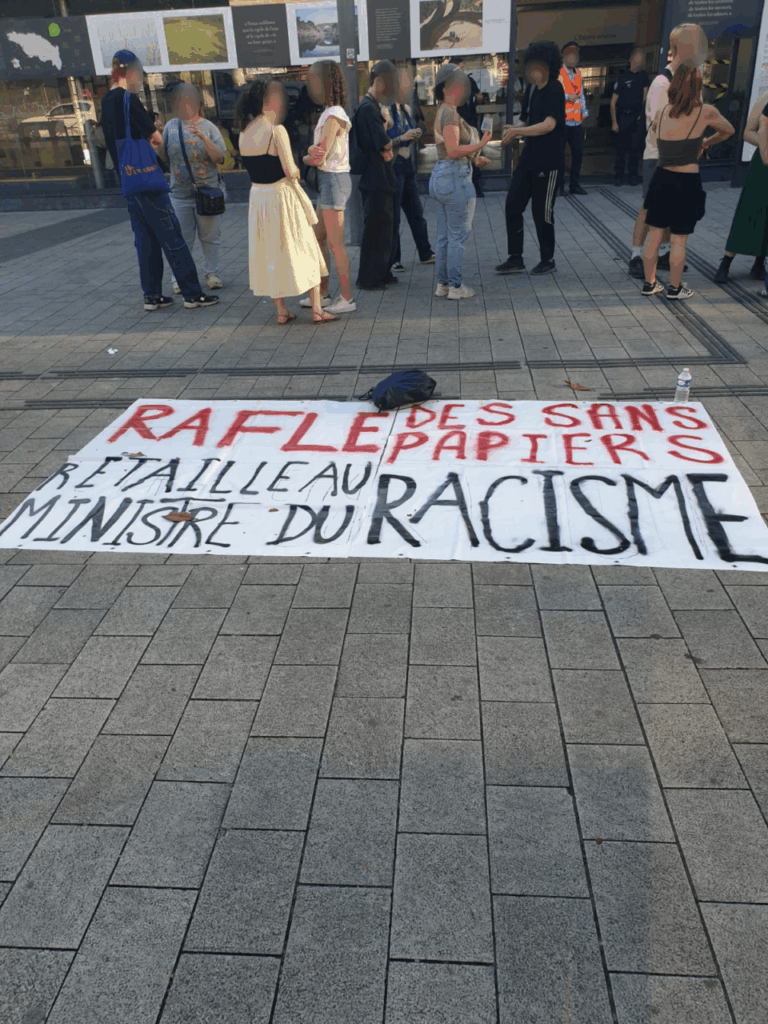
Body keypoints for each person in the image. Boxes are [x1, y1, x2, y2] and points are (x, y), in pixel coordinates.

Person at [100, 50, 218, 311]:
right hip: (148, 181)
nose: (140, 79)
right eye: (139, 74)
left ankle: (152, 296)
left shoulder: (106, 101)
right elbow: (155, 139)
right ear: (130, 72)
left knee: (145, 240)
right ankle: (192, 294)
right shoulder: (129, 100)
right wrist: (162, 131)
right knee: (173, 237)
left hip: (129, 181)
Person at [235, 77, 336, 325]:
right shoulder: (275, 131)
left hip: (258, 198)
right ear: (270, 100)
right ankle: (316, 309)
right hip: (282, 196)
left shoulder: (243, 133)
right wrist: (303, 163)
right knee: (305, 246)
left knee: (269, 251)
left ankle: (281, 310)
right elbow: (290, 171)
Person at [641, 64, 734, 300]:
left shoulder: (662, 112)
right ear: (697, 86)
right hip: (686, 180)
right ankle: (675, 288)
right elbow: (729, 130)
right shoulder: (706, 111)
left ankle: (649, 284)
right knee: (679, 238)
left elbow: (653, 135)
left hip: (661, 177)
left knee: (654, 234)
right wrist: (705, 143)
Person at [628, 24, 706, 278]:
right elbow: (656, 124)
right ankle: (636, 256)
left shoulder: (693, 80)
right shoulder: (662, 83)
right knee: (648, 209)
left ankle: (662, 253)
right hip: (658, 157)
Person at [496, 40, 565, 276]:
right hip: (529, 158)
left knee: (541, 212)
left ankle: (548, 259)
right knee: (513, 204)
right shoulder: (532, 89)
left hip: (549, 161)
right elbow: (527, 119)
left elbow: (549, 124)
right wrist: (512, 128)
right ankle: (515, 257)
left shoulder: (555, 89)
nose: (533, 70)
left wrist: (519, 132)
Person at [429, 63, 492, 300]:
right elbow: (453, 149)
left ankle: (443, 284)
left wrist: (475, 158)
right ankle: (455, 286)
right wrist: (482, 143)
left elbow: (452, 150)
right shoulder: (449, 113)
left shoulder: (445, 111)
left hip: (445, 175)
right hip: (455, 176)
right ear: (446, 87)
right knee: (457, 236)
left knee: (445, 235)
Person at [300, 60, 356, 315]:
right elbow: (320, 153)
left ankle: (346, 297)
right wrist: (311, 153)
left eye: (313, 80)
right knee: (319, 238)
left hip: (332, 179)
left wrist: (306, 155)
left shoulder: (333, 114)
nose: (310, 85)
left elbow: (319, 156)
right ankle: (322, 294)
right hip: (330, 180)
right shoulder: (331, 113)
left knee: (335, 243)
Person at [162, 83, 226, 294]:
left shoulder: (209, 127)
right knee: (181, 239)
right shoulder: (170, 126)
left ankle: (212, 273)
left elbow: (220, 158)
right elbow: (163, 158)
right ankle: (180, 278)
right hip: (179, 194)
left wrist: (204, 138)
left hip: (207, 192)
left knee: (210, 237)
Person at [713, 91, 768, 283]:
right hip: (763, 166)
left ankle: (759, 263)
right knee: (749, 211)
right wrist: (765, 143)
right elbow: (747, 132)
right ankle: (726, 263)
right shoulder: (767, 96)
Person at [353, 60, 399, 290]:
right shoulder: (368, 109)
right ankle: (370, 277)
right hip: (375, 177)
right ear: (378, 81)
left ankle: (382, 272)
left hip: (378, 175)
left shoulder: (371, 107)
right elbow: (384, 143)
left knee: (386, 228)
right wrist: (387, 147)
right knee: (377, 230)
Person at [387, 69, 435, 273]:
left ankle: (425, 252)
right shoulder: (385, 111)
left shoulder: (405, 108)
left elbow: (418, 127)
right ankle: (395, 259)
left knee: (416, 212)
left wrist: (416, 134)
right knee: (394, 215)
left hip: (407, 166)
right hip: (394, 166)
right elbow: (383, 142)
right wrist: (404, 138)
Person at [611, 47, 650, 186]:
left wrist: (643, 117)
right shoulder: (623, 77)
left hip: (637, 117)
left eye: (641, 58)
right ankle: (618, 176)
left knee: (635, 148)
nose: (639, 61)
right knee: (621, 148)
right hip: (624, 116)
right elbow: (613, 102)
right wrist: (614, 122)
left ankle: (633, 175)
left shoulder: (644, 76)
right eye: (637, 58)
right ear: (631, 60)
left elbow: (645, 98)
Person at [557, 41, 587, 196]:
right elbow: (553, 94)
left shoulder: (578, 73)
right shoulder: (558, 73)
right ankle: (560, 186)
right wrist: (567, 97)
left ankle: (574, 185)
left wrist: (585, 112)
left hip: (576, 121)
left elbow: (581, 94)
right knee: (560, 156)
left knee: (578, 153)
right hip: (563, 121)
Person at [454, 56, 485, 198]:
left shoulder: (470, 81)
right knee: (459, 156)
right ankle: (459, 187)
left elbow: (478, 98)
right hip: (455, 125)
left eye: (462, 68)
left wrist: (479, 98)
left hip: (470, 123)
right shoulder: (449, 84)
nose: (462, 71)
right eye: (459, 68)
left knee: (475, 152)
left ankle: (476, 187)